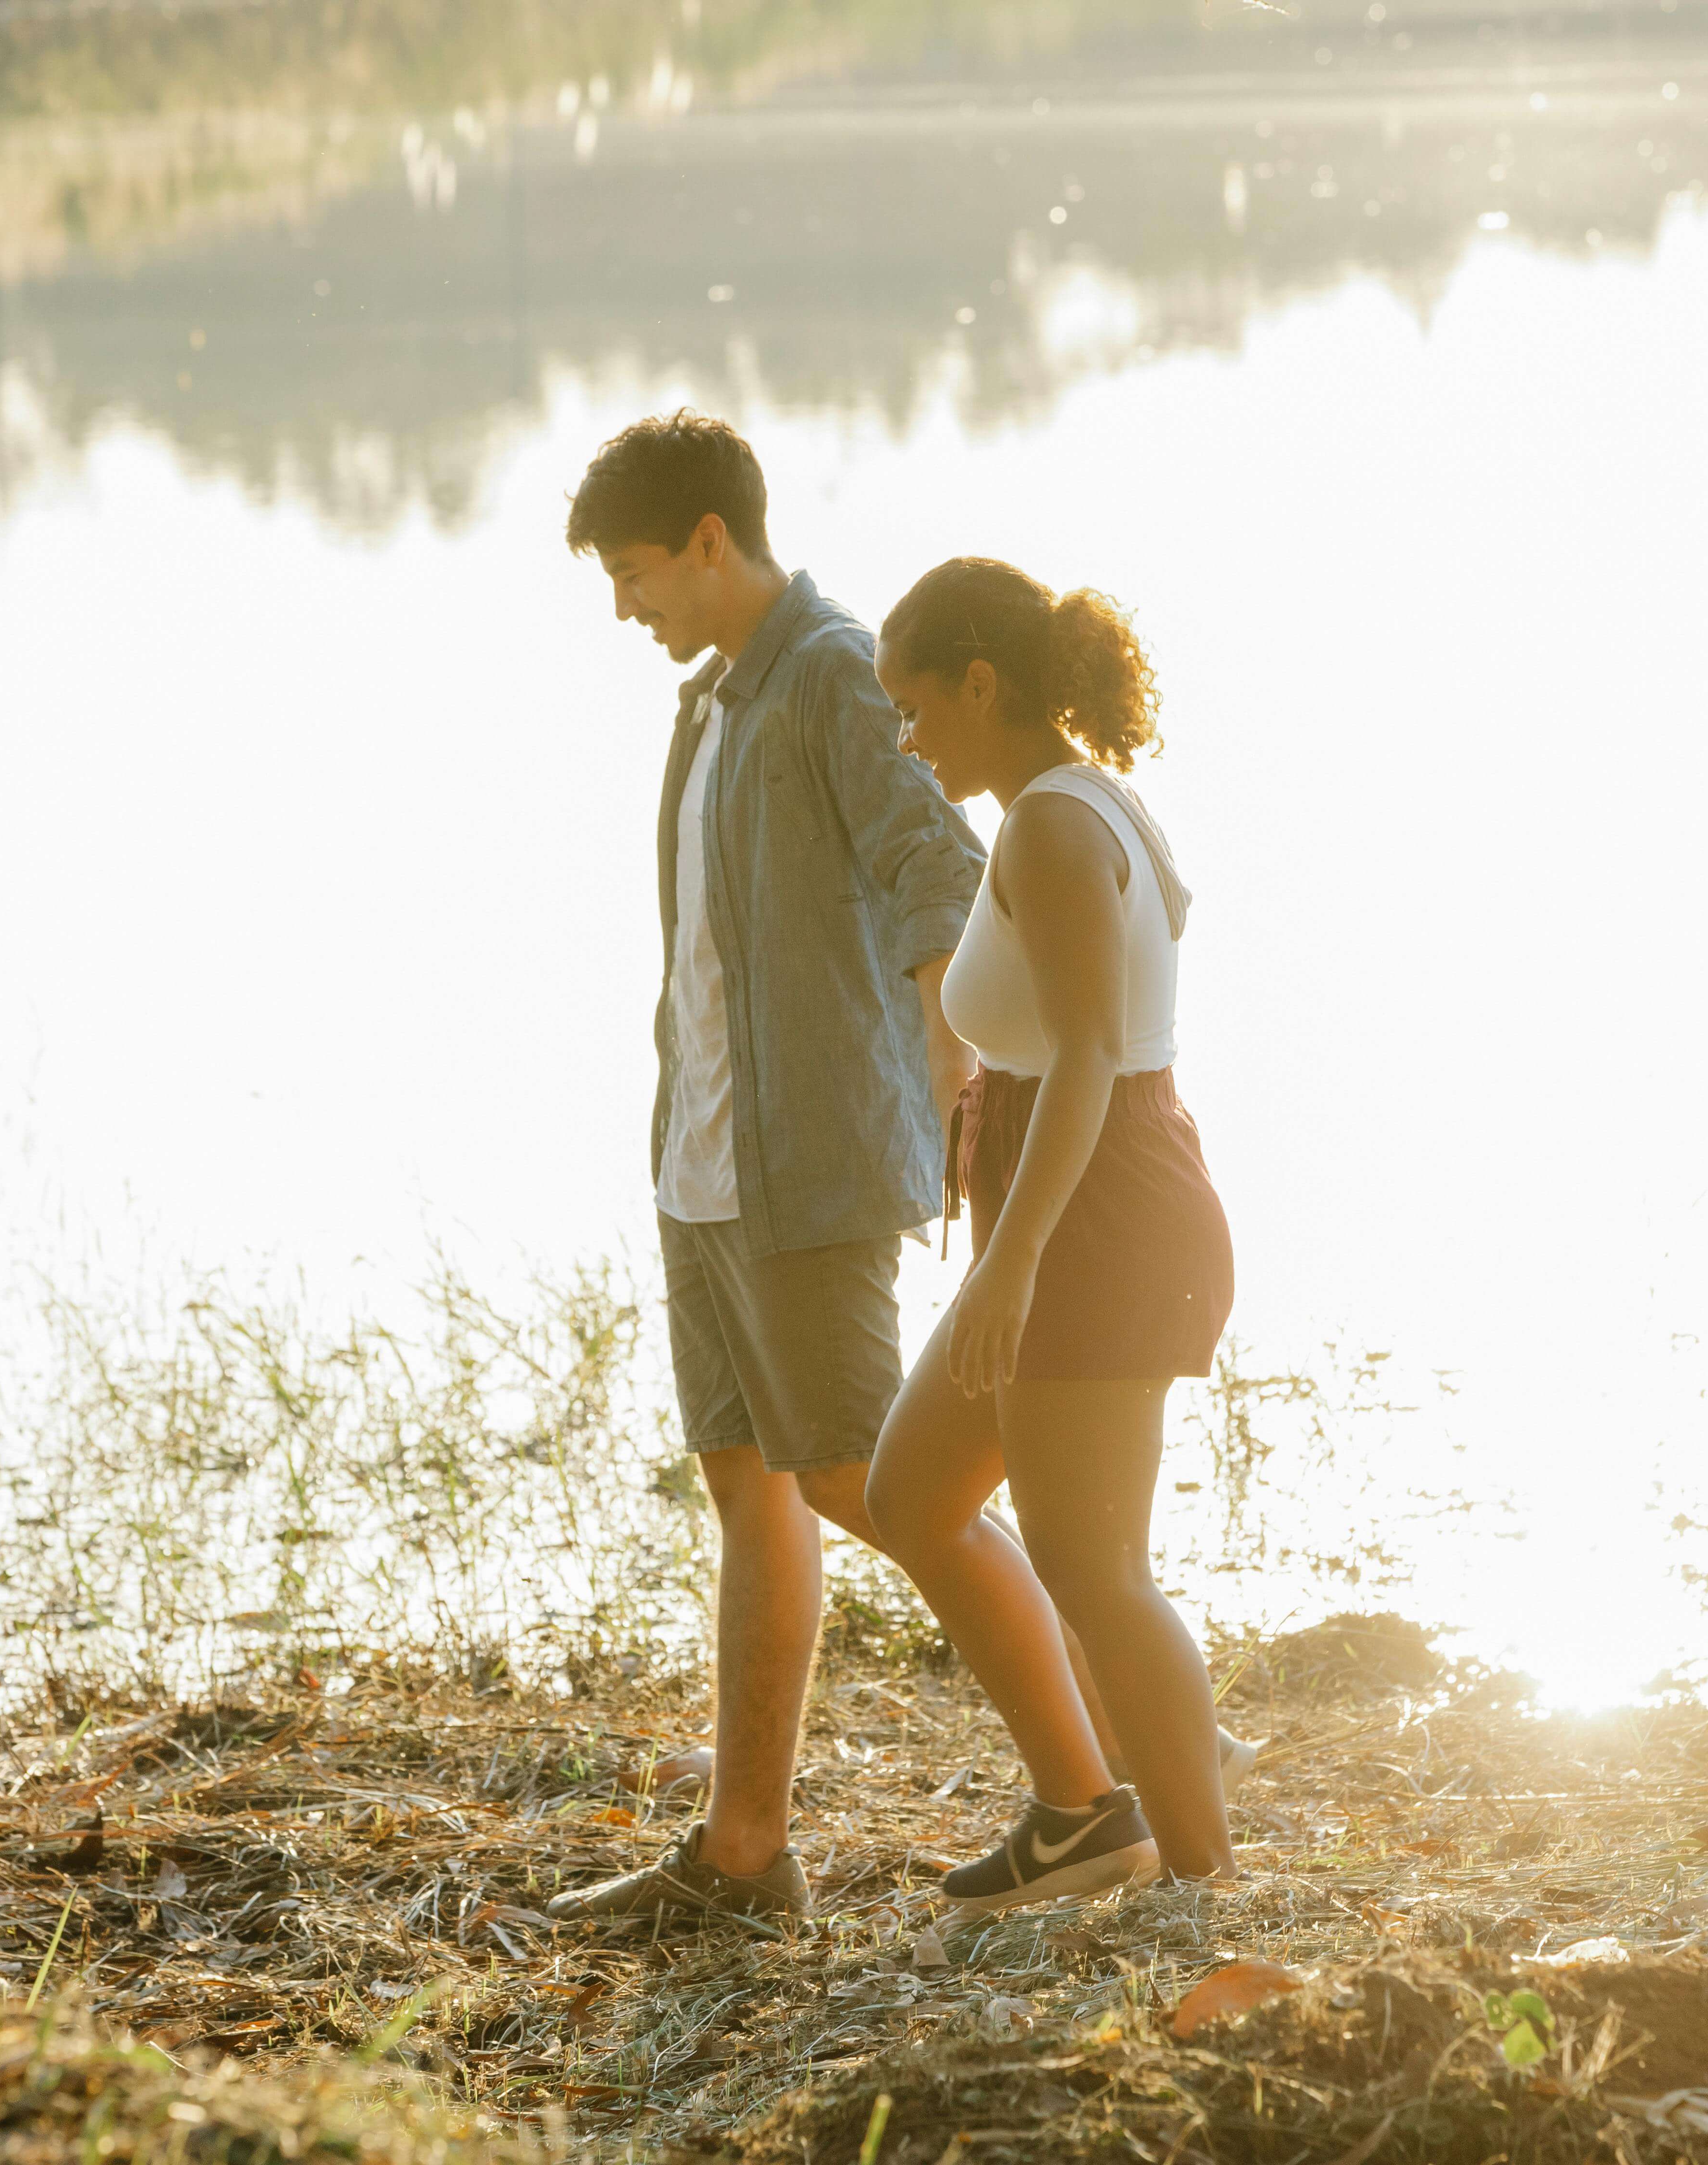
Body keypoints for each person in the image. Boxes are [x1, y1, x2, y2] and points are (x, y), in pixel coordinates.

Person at [543, 418, 1245, 1925]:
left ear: (716, 539)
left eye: (640, 570)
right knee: (799, 1482)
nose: (626, 605)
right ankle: (751, 1852)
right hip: (714, 1155)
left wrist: (956, 1135)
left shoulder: (853, 688)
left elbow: (959, 905)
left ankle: (1136, 1822)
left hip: (865, 1168)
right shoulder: (716, 705)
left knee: (1000, 1526)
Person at [864, 557, 1242, 1911]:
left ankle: (1202, 1880)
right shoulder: (1066, 804)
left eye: (916, 709)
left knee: (1095, 1569)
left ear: (983, 681)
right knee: (911, 1494)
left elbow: (1090, 1056)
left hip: (1096, 1214)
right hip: (1064, 1192)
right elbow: (1059, 1045)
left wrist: (1012, 1264)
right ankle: (1092, 1807)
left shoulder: (1051, 825)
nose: (910, 741)